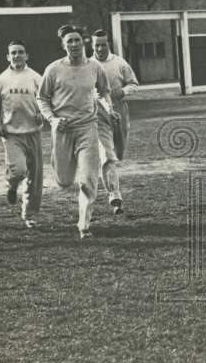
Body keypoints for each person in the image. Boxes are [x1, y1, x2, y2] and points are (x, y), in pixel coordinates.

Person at [38, 24, 118, 240]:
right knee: (64, 181)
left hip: (87, 128)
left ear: (83, 42)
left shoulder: (94, 67)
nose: (74, 44)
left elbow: (103, 92)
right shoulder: (53, 69)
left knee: (87, 179)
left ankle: (84, 225)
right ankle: (65, 177)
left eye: (76, 40)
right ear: (63, 45)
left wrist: (109, 109)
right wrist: (53, 119)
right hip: (63, 130)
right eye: (69, 41)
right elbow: (42, 98)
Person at [0, 40, 45, 229]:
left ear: (27, 56)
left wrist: (41, 113)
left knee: (35, 177)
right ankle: (12, 186)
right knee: (18, 170)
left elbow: (47, 99)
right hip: (11, 134)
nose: (17, 55)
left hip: (33, 132)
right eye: (13, 53)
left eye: (21, 52)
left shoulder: (36, 77)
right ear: (8, 56)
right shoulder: (0, 80)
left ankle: (29, 214)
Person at [90, 29, 139, 215]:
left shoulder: (119, 63)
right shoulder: (88, 65)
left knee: (118, 153)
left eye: (103, 44)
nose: (100, 48)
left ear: (108, 44)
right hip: (98, 114)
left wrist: (123, 92)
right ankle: (115, 196)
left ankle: (112, 185)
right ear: (92, 46)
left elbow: (134, 84)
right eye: (97, 45)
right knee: (107, 156)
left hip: (119, 112)